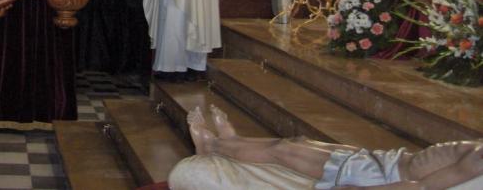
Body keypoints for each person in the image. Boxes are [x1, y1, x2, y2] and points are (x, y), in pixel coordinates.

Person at [170, 104, 483, 190]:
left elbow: (421, 187)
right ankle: (231, 142)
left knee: (285, 150)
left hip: (375, 174)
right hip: (383, 161)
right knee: (297, 143)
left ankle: (213, 147)